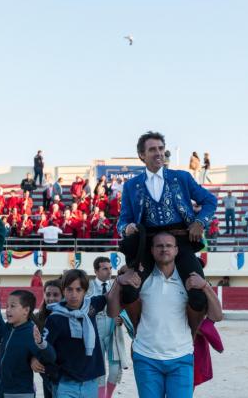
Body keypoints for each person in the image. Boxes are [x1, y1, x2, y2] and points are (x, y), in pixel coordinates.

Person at [117, 131, 217, 333]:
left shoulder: (182, 178)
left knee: (198, 293)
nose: (158, 153)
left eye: (161, 149)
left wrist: (200, 222)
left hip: (180, 243)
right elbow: (123, 220)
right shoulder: (130, 186)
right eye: (152, 149)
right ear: (142, 155)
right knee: (128, 290)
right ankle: (138, 330)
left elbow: (210, 201)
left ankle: (192, 334)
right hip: (148, 244)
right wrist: (126, 228)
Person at [107, 232, 223, 398]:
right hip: (146, 358)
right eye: (159, 246)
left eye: (169, 245)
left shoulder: (189, 280)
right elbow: (112, 312)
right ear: (152, 250)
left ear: (176, 250)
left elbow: (217, 316)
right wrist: (118, 281)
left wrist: (205, 286)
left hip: (181, 358)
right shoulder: (140, 279)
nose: (164, 249)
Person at [43, 269, 107, 398]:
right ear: (63, 290)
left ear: (85, 291)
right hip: (65, 384)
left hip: (90, 382)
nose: (74, 294)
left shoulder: (91, 306)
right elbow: (45, 349)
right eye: (69, 289)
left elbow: (109, 296)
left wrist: (121, 278)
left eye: (78, 290)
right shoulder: (54, 318)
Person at [0, 289, 56, 398]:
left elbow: (50, 357)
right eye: (7, 306)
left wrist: (41, 344)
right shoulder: (9, 327)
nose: (8, 310)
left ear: (26, 310)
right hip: (1, 390)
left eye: (12, 306)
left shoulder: (31, 333)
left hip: (20, 393)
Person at [89, 257, 127, 398]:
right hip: (94, 332)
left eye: (110, 268)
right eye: (105, 268)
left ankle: (108, 396)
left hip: (113, 331)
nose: (109, 271)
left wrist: (121, 317)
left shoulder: (116, 286)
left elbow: (124, 308)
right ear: (96, 271)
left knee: (115, 368)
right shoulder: (88, 287)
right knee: (98, 368)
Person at [32, 279, 63, 398]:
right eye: (48, 294)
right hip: (46, 373)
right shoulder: (37, 318)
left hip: (64, 374)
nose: (51, 298)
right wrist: (33, 359)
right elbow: (30, 344)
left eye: (56, 295)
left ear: (63, 295)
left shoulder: (70, 316)